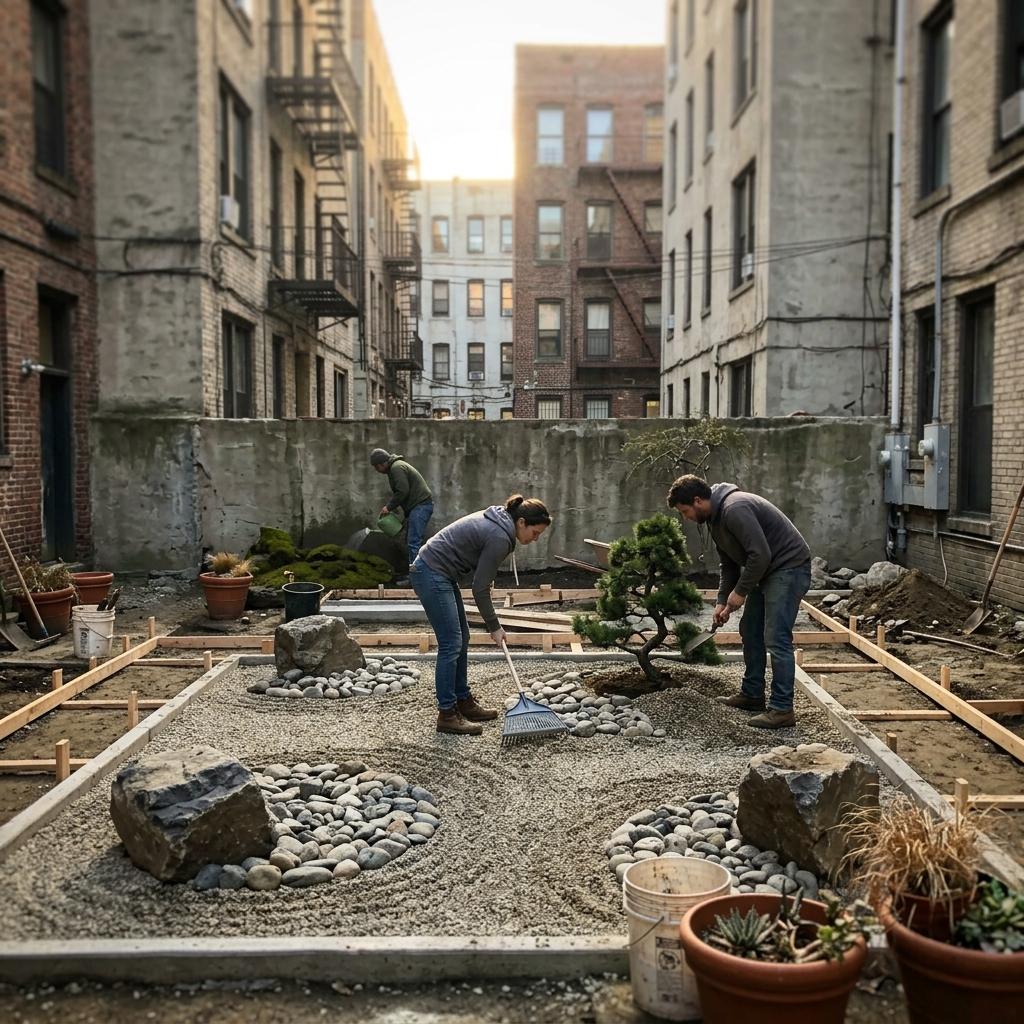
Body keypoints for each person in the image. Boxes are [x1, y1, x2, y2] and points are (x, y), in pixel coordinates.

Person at [668, 475, 811, 730]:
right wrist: (722, 600)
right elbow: (729, 564)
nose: (685, 517)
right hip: (766, 570)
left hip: (789, 567)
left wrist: (740, 592)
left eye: (684, 511)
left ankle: (782, 710)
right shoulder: (714, 519)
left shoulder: (735, 508)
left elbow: (760, 554)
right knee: (750, 630)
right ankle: (752, 694)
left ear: (697, 500)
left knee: (776, 637)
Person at [411, 495, 552, 735]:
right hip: (430, 572)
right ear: (521, 522)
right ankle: (447, 714)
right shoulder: (499, 537)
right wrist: (494, 626)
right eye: (535, 532)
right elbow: (479, 588)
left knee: (462, 637)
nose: (535, 538)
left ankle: (462, 700)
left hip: (439, 572)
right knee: (451, 643)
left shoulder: (499, 523)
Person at [370, 448, 433, 584]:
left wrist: (389, 507)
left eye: (376, 467)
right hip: (416, 507)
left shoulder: (396, 468)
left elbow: (402, 491)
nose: (376, 470)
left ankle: (417, 578)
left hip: (421, 506)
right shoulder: (395, 468)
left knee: (413, 542)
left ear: (382, 463)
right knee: (408, 541)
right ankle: (414, 574)